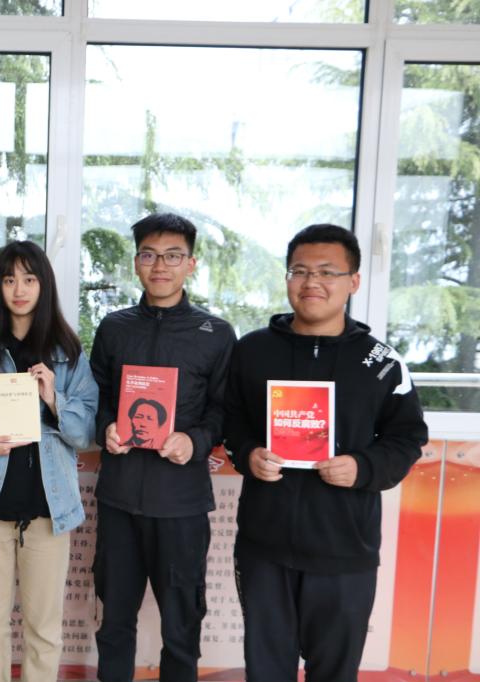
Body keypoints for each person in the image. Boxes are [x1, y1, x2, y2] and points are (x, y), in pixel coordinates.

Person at [224, 224, 427, 682]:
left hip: (345, 549)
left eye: (327, 272)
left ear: (353, 281)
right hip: (264, 546)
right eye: (299, 271)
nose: (311, 282)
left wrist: (363, 467)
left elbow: (407, 438)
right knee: (266, 671)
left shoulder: (382, 363)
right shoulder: (252, 351)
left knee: (335, 672)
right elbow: (230, 421)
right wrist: (249, 453)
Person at [89, 213, 236, 682]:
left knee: (181, 626)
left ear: (191, 264)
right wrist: (106, 428)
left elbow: (225, 411)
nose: (160, 266)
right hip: (119, 498)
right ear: (136, 262)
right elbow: (94, 399)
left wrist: (194, 440)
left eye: (173, 256)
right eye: (149, 255)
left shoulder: (216, 333)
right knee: (114, 622)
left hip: (181, 505)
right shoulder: (114, 328)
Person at [0, 240, 98, 682]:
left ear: (43, 285)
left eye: (29, 279)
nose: (19, 289)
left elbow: (86, 430)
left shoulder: (69, 353)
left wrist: (53, 398)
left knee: (44, 631)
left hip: (49, 513)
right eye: (9, 279)